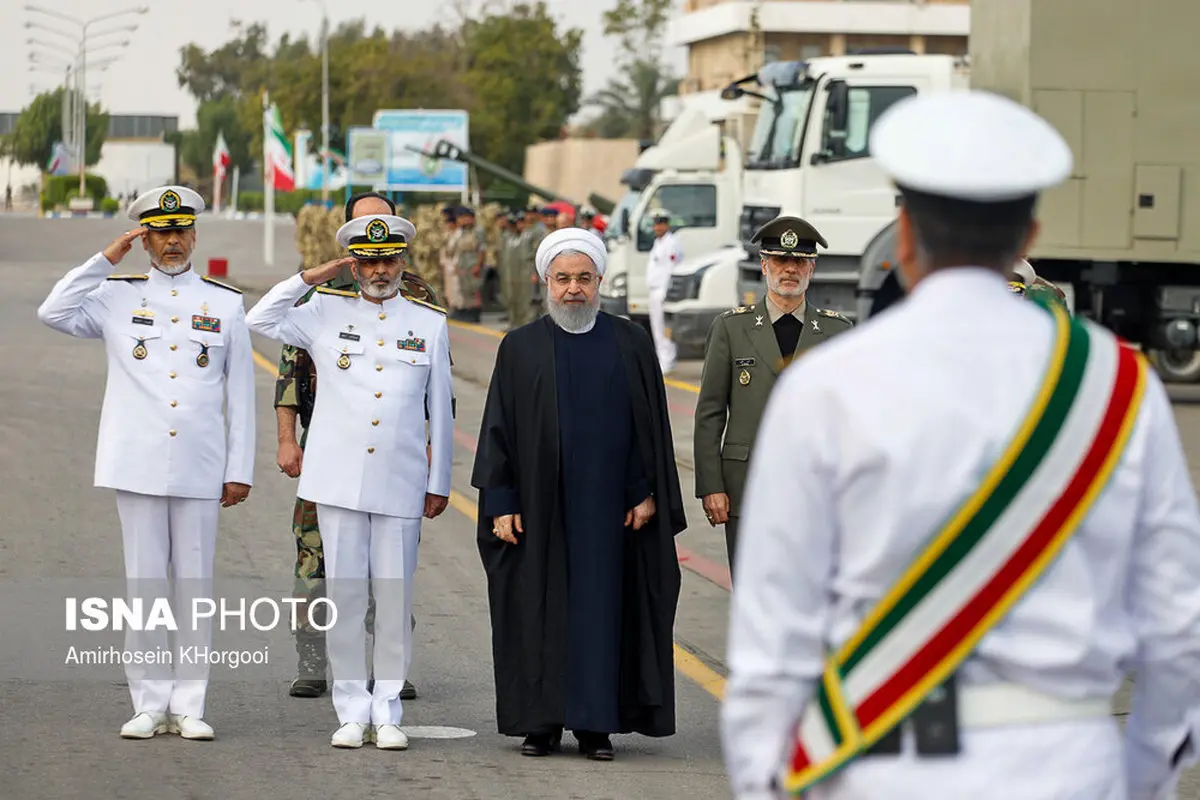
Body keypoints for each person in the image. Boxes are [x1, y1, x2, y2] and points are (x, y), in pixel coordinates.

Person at [722, 90, 1200, 800]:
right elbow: (1178, 629)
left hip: (882, 765)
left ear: (903, 234)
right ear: (1029, 235)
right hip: (1067, 765)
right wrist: (1134, 779)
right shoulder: (1120, 387)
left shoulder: (825, 388)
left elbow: (774, 640)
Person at [37, 185, 256, 741]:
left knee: (195, 588)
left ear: (194, 236)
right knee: (145, 586)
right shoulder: (114, 295)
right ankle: (149, 703)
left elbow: (241, 394)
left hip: (201, 462)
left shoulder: (225, 303)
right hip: (136, 461)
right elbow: (53, 310)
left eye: (180, 231)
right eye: (160, 233)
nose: (172, 241)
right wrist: (105, 258)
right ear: (144, 240)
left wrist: (239, 468)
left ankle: (190, 705)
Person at [471, 227, 688, 761]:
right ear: (545, 281)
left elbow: (647, 428)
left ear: (600, 281)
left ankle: (596, 725)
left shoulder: (630, 342)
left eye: (584, 278)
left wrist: (644, 491)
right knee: (536, 610)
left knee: (601, 612)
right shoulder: (519, 347)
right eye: (563, 278)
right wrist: (501, 502)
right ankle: (540, 723)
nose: (574, 289)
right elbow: (498, 430)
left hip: (608, 510)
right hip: (537, 509)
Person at [246, 213, 453, 751]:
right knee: (344, 596)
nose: (379, 270)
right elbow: (259, 318)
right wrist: (312, 276)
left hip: (400, 480)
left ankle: (388, 711)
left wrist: (439, 480)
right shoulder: (322, 311)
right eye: (367, 261)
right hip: (337, 480)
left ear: (402, 262)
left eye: (388, 260)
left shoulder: (429, 322)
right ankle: (351, 710)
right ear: (353, 266)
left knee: (393, 598)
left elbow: (441, 408)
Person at [276, 191, 437, 700]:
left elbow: (434, 387)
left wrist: (429, 452)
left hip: (392, 452)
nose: (377, 249)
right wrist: (287, 438)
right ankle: (312, 658)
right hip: (329, 448)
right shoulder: (321, 293)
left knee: (389, 568)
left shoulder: (416, 292)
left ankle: (390, 666)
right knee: (315, 558)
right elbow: (289, 370)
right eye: (365, 227)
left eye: (384, 225)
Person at [693, 215, 852, 573]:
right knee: (750, 582)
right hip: (746, 485)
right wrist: (711, 486)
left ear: (812, 268)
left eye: (799, 261)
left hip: (816, 488)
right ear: (764, 265)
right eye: (781, 260)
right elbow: (710, 414)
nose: (790, 269)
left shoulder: (837, 331)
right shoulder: (731, 328)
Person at [646, 208, 681, 374]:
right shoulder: (658, 242)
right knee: (656, 328)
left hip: (663, 291)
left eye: (660, 224)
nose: (657, 228)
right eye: (655, 224)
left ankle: (668, 360)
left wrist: (667, 292)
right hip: (654, 290)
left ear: (666, 225)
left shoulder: (671, 243)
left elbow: (672, 269)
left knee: (664, 327)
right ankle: (662, 359)